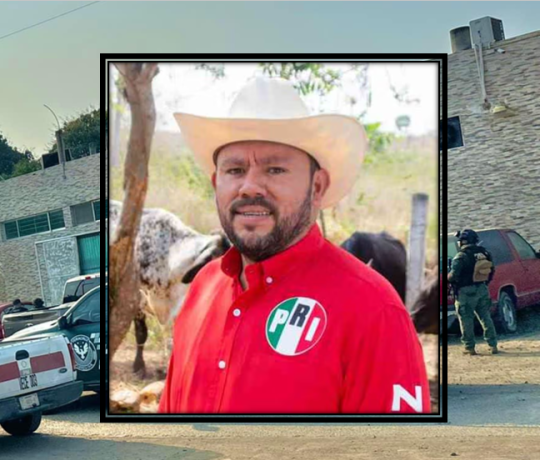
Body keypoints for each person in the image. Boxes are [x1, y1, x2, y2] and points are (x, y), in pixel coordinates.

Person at [158, 78, 429, 414]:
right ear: (216, 183)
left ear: (317, 187)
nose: (249, 186)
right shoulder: (201, 289)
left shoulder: (373, 310)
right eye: (234, 170)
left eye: (275, 169)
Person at [448, 228, 498, 355]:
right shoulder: (485, 253)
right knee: (486, 317)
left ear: (463, 242)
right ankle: (493, 345)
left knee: (466, 319)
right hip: (482, 289)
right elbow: (492, 271)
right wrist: (485, 284)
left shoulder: (460, 257)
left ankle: (469, 347)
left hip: (465, 292)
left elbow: (453, 276)